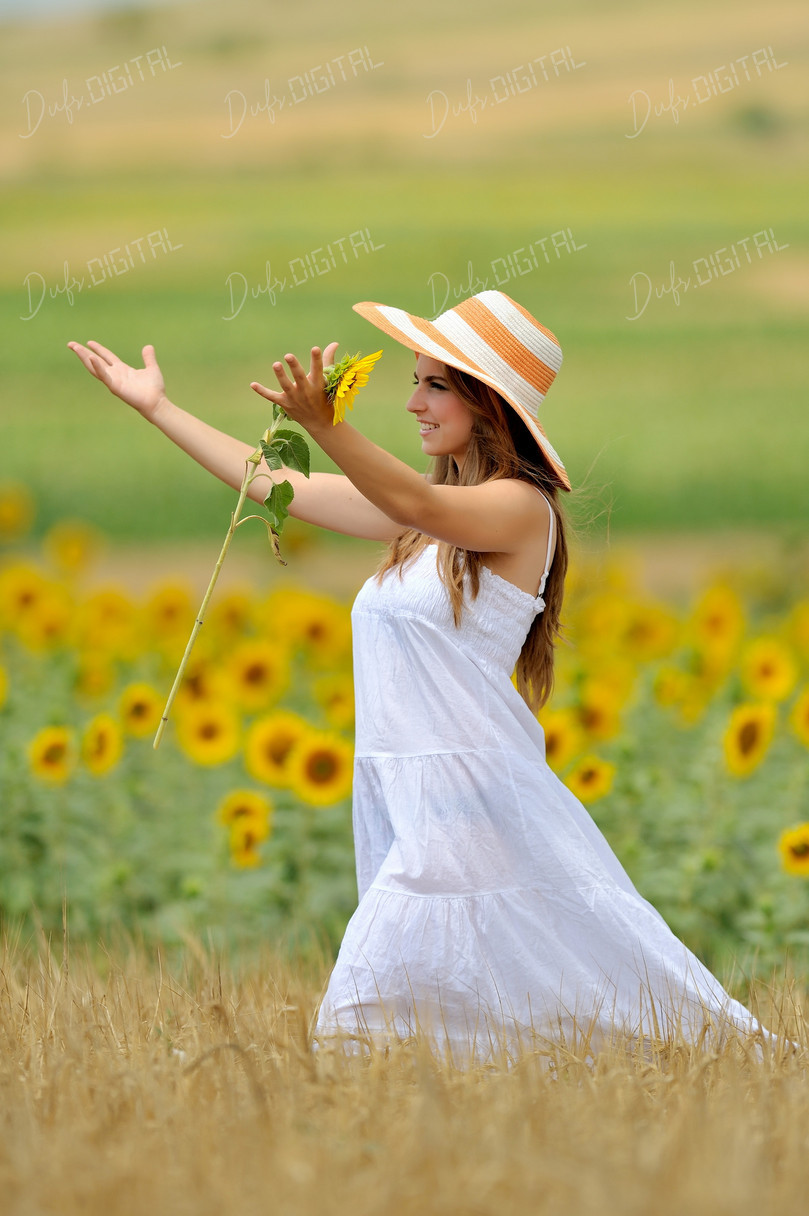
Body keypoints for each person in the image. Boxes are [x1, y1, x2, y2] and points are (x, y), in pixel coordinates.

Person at [68, 290, 777, 1064]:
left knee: (368, 1019)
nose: (411, 403)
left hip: (473, 795)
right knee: (488, 1016)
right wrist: (157, 409)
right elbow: (276, 489)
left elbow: (406, 495)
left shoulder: (517, 509)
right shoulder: (424, 518)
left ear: (488, 403)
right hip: (414, 799)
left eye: (434, 385)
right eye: (415, 381)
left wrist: (327, 427)